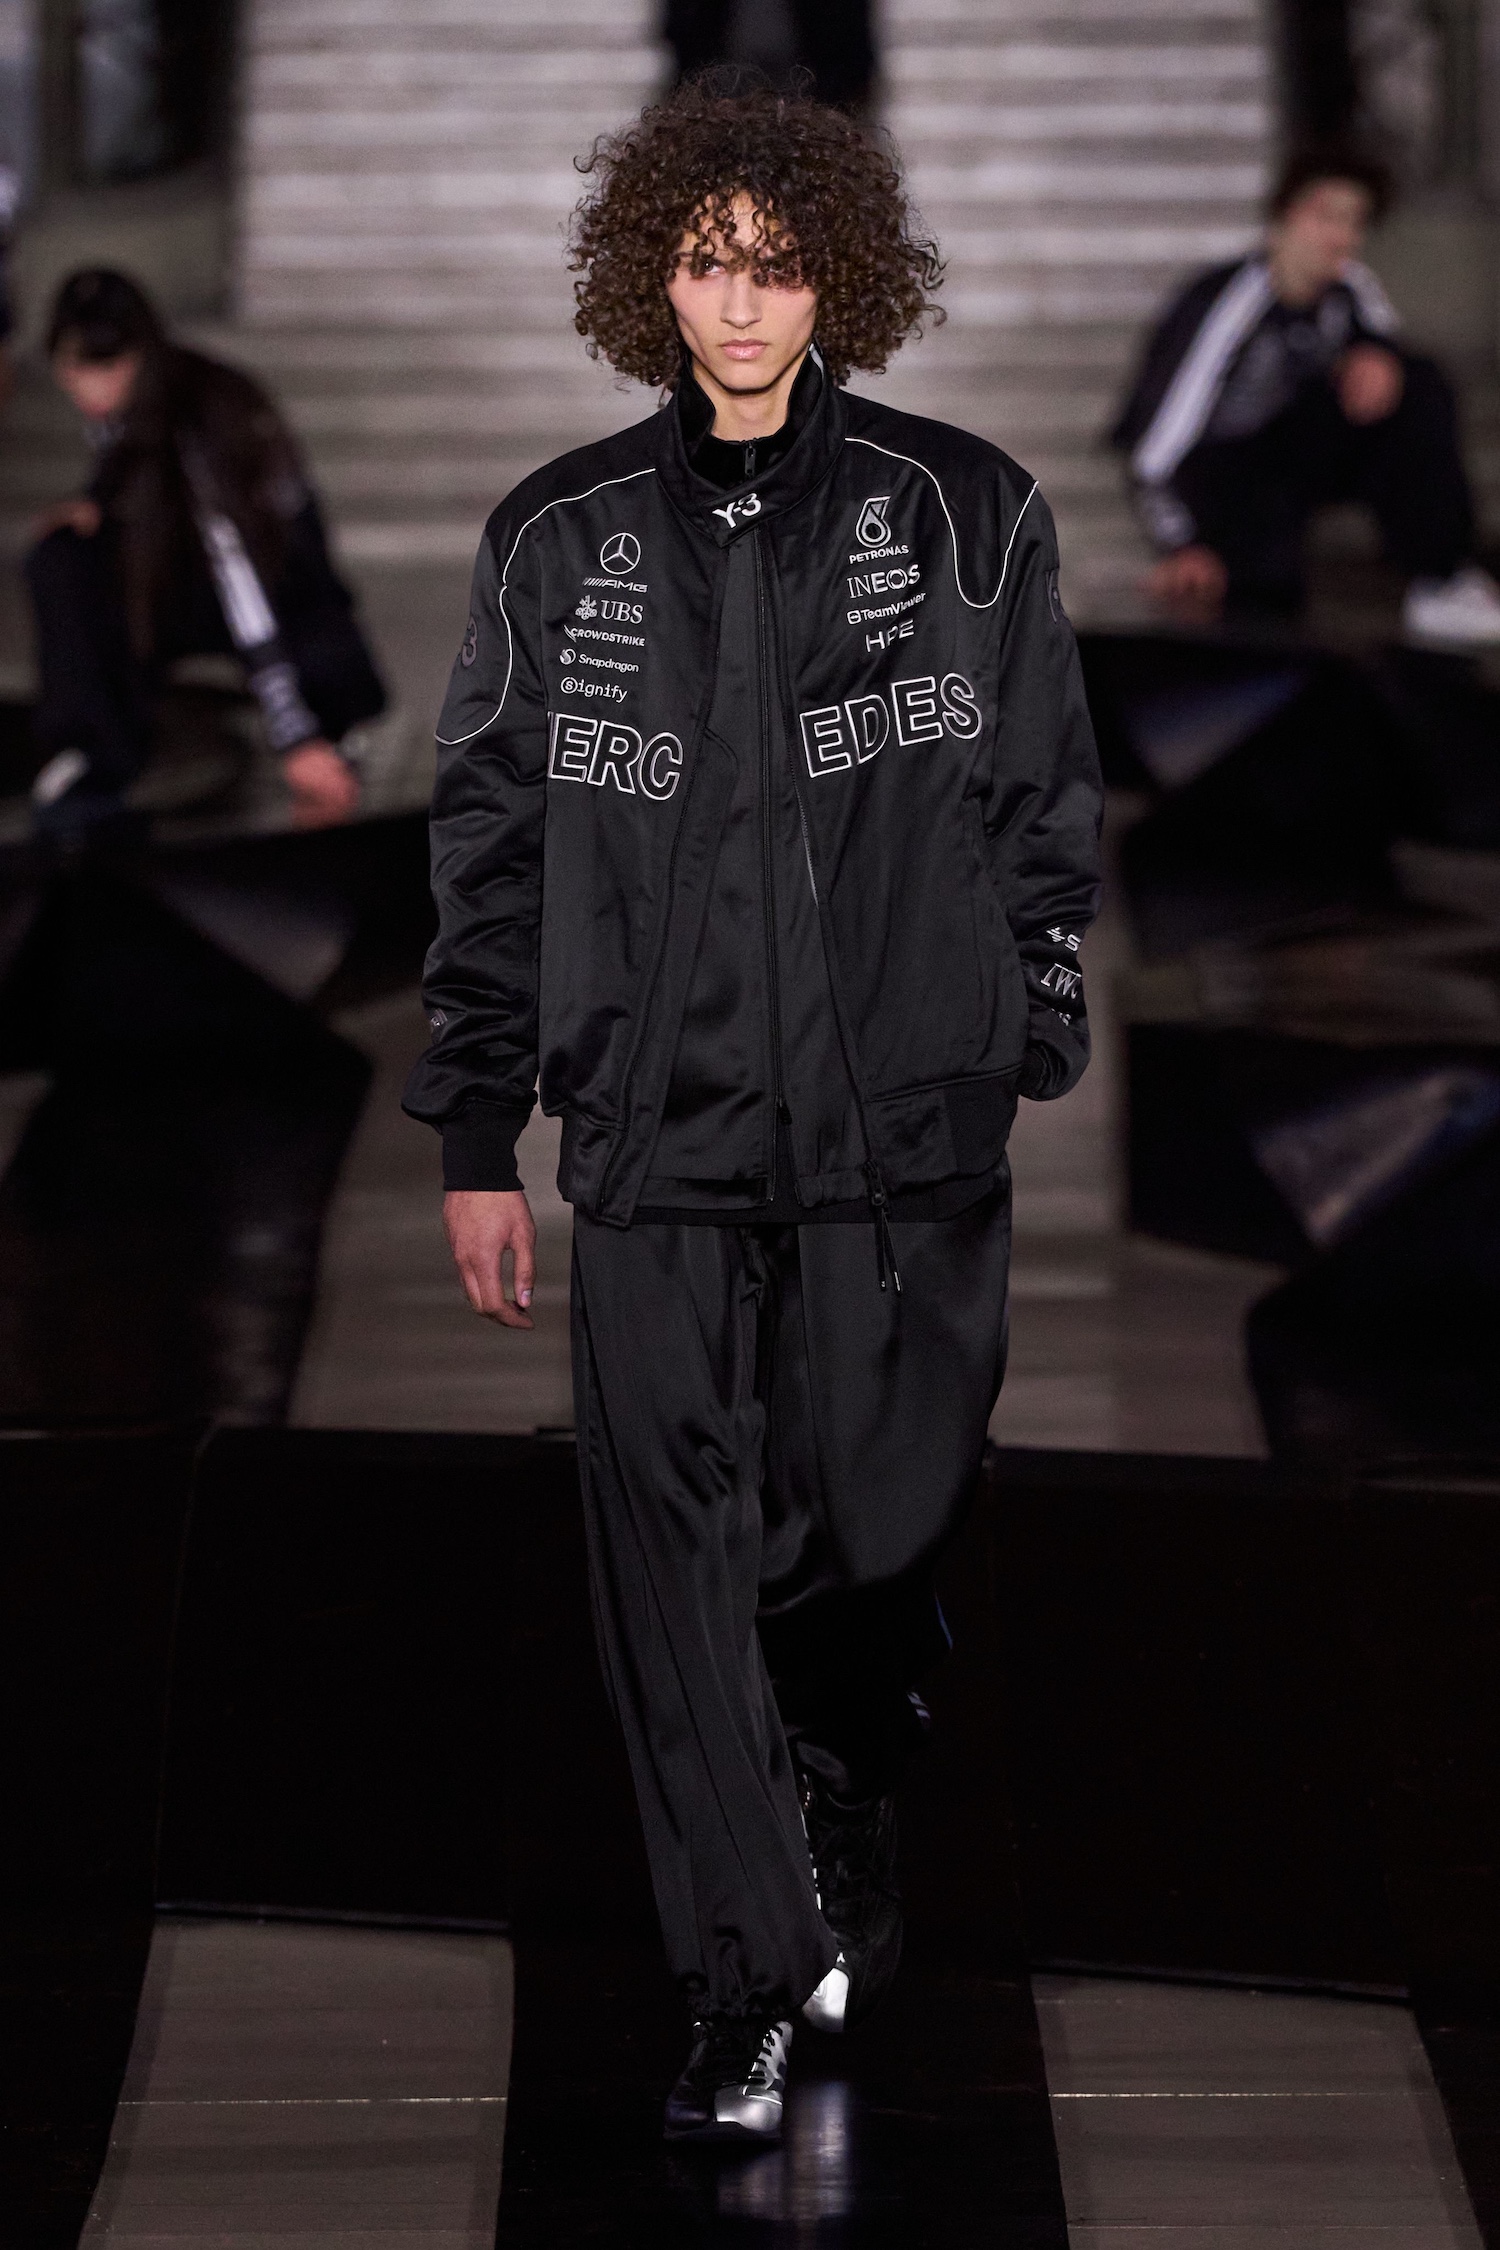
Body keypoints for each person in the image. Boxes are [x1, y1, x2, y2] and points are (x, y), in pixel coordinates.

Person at [404, 81, 1101, 2145]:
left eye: (778, 266)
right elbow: (490, 844)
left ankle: (844, 1777)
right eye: (707, 262)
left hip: (905, 1139)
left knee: (869, 1538)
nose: (739, 303)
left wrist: (1024, 1007)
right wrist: (477, 1132)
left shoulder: (966, 511)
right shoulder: (558, 539)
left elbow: (1040, 787)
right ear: (653, 277)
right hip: (656, 1132)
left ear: (836, 283)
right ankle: (740, 1975)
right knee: (670, 1560)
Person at [26, 269, 385, 830]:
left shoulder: (203, 415)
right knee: (62, 551)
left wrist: (295, 733)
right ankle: (98, 751)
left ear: (140, 356)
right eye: (71, 368)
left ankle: (331, 725)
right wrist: (98, 503)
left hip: (279, 598)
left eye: (104, 365)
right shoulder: (129, 412)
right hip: (198, 585)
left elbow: (241, 577)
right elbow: (145, 489)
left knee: (65, 563)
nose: (84, 386)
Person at [1113, 146, 1500, 644]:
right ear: (1283, 218)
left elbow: (1389, 353)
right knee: (1266, 611)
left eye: (1355, 221)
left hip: (1293, 465)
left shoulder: (1352, 289)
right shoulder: (1228, 302)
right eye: (1325, 217)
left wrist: (1377, 356)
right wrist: (1181, 543)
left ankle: (1442, 579)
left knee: (1418, 382)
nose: (1341, 236)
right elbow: (1152, 451)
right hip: (1222, 483)